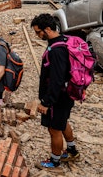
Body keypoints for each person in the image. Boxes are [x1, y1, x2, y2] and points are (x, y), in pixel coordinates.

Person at [31, 13, 80, 170]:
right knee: (62, 121)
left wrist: (46, 102)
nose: (37, 36)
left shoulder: (56, 51)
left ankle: (55, 161)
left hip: (58, 97)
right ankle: (72, 151)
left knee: (54, 129)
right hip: (67, 93)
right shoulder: (63, 40)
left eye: (39, 32)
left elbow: (56, 80)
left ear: (47, 29)